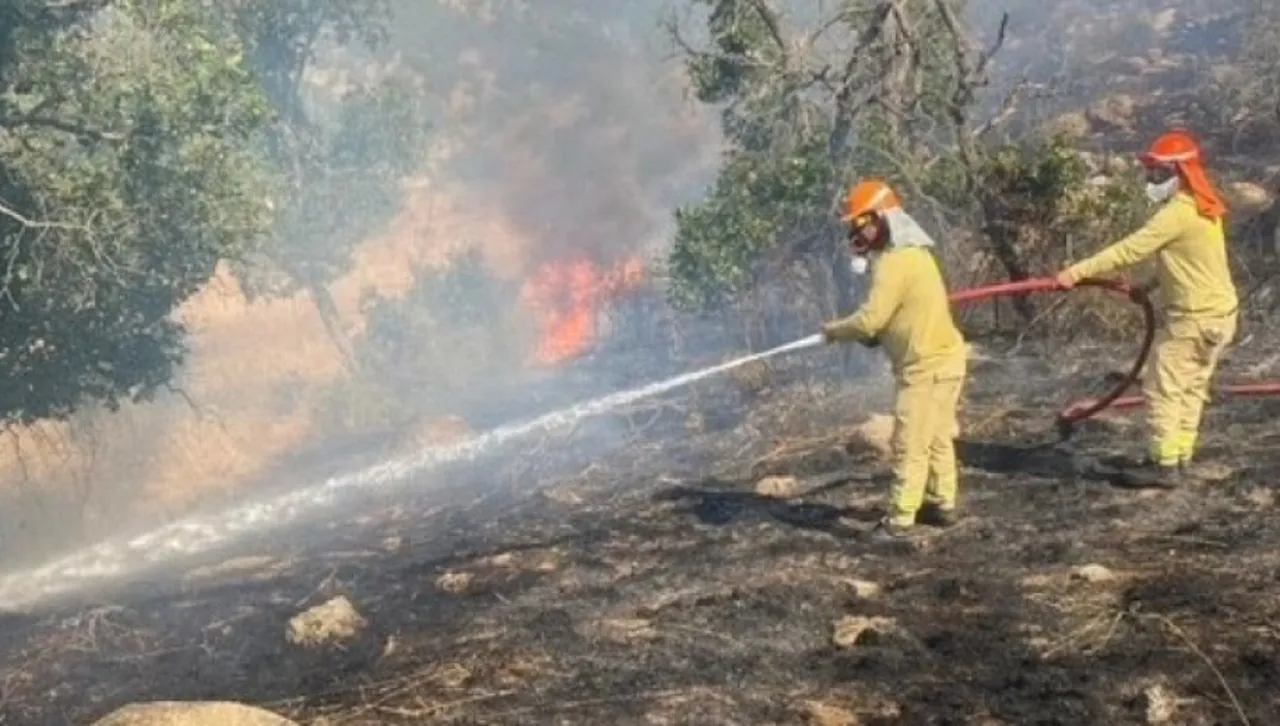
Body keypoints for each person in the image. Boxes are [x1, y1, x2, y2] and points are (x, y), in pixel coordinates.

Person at [1055, 130, 1238, 488]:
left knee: (1162, 388)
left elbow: (1130, 249)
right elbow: (1190, 262)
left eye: (1157, 173)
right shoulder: (1206, 207)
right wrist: (1149, 288)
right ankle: (1180, 454)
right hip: (1219, 316)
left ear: (1179, 173)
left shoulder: (1179, 213)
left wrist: (1075, 272)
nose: (1151, 180)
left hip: (1193, 320)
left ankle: (1163, 465)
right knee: (1191, 387)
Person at [821, 179, 968, 541]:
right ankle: (941, 502)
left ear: (882, 218)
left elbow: (871, 318)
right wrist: (879, 333)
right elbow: (898, 315)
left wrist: (834, 331)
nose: (858, 234)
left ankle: (901, 519)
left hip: (924, 369)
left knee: (909, 443)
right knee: (935, 437)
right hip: (947, 360)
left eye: (861, 224)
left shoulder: (893, 262)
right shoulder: (916, 253)